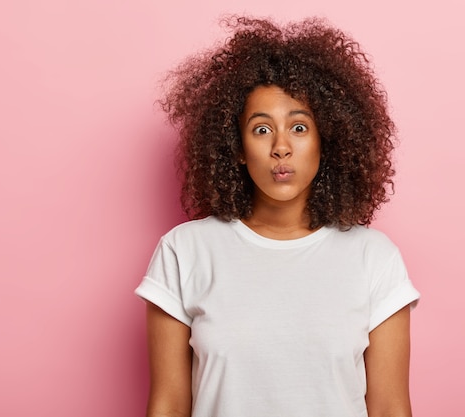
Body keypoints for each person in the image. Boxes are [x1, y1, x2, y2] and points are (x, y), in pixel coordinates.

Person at [135, 15, 420, 417]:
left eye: (300, 128)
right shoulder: (184, 251)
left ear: (327, 141)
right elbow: (168, 404)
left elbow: (391, 407)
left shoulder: (374, 258)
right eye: (262, 129)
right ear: (237, 146)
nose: (281, 147)